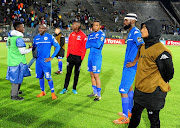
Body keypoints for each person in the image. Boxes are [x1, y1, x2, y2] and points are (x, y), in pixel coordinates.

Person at [128, 18, 174, 128]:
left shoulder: (161, 51)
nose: (142, 30)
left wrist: (158, 83)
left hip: (153, 92)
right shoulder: (143, 46)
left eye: (145, 28)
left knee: (153, 119)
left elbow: (169, 73)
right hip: (140, 89)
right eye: (142, 27)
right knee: (135, 116)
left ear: (152, 30)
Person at [113, 13, 144, 124]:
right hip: (128, 65)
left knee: (123, 90)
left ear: (132, 21)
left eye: (126, 20)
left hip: (131, 66)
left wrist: (135, 61)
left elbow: (142, 45)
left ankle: (125, 117)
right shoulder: (131, 32)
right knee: (129, 88)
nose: (124, 22)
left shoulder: (136, 32)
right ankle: (129, 111)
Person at [6, 21, 32, 100]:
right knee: (16, 78)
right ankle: (14, 95)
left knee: (17, 77)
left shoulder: (10, 38)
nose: (23, 28)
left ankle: (16, 91)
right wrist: (30, 49)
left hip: (11, 60)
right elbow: (23, 52)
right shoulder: (19, 39)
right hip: (18, 61)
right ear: (18, 28)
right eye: (22, 27)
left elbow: (9, 48)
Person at [33, 24, 60, 100]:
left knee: (48, 77)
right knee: (40, 77)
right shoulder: (36, 38)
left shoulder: (50, 37)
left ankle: (53, 93)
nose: (40, 29)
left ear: (45, 29)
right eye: (40, 28)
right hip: (38, 61)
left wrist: (52, 57)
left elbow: (58, 46)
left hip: (46, 61)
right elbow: (34, 47)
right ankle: (43, 92)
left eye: (42, 28)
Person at [59, 21, 87, 94]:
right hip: (70, 56)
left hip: (78, 57)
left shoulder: (83, 36)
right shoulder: (71, 34)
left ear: (77, 26)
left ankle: (74, 88)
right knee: (68, 73)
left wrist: (82, 58)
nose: (72, 26)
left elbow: (84, 48)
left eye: (73, 25)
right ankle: (65, 88)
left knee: (76, 74)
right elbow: (69, 46)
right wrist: (67, 55)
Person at [86, 20, 105, 101]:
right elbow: (86, 45)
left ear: (100, 26)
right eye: (94, 25)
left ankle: (99, 95)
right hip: (90, 56)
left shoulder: (102, 34)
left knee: (96, 76)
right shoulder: (90, 35)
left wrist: (91, 43)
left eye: (97, 25)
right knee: (91, 75)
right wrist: (93, 42)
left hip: (97, 56)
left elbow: (98, 45)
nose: (95, 27)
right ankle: (94, 92)